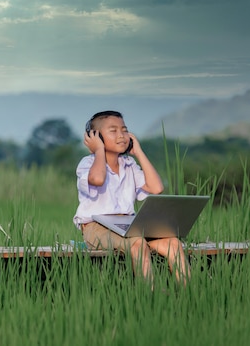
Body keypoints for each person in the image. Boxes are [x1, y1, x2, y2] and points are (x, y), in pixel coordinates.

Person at [73, 110, 190, 286]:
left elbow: (156, 188)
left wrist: (139, 152)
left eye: (124, 130)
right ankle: (150, 297)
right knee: (138, 244)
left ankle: (187, 294)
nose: (121, 135)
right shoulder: (88, 163)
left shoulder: (129, 164)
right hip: (96, 227)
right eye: (113, 131)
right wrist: (99, 150)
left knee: (173, 243)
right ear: (96, 137)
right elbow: (97, 179)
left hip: (128, 224)